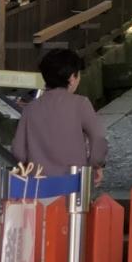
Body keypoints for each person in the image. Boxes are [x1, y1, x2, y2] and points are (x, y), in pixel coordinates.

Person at [12, 48, 108, 182]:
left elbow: (18, 151)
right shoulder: (81, 104)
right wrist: (95, 165)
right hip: (73, 182)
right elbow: (98, 138)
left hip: (38, 183)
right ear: (72, 78)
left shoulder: (30, 108)